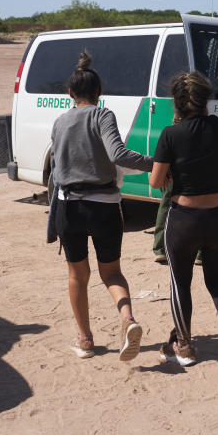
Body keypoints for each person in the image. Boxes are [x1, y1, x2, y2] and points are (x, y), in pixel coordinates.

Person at [47, 51, 152, 361]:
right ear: (99, 93)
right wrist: (153, 163)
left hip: (69, 208)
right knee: (112, 274)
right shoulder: (102, 115)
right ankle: (127, 320)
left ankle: (85, 339)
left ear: (70, 94)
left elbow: (56, 166)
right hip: (104, 206)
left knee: (77, 276)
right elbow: (118, 154)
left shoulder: (60, 121)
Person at [148, 71, 218, 376]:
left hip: (184, 220)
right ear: (205, 99)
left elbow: (156, 181)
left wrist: (173, 172)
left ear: (177, 103)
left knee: (180, 282)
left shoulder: (170, 134)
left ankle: (184, 345)